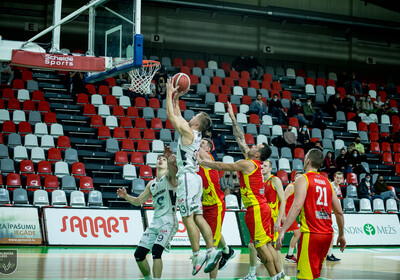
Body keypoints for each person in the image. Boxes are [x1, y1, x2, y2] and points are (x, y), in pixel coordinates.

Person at [198, 102, 283, 280]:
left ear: (258, 154)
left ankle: (275, 277)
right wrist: (233, 118)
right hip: (261, 208)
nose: (251, 147)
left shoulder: (248, 164)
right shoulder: (253, 162)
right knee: (266, 245)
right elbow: (240, 139)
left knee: (261, 248)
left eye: (255, 147)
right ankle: (279, 276)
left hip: (257, 209)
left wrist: (202, 161)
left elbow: (222, 165)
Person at [165, 77, 221, 275]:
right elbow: (178, 115)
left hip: (187, 178)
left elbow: (172, 118)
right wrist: (176, 98)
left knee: (188, 217)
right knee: (198, 216)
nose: (191, 117)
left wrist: (168, 93)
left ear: (197, 122)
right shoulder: (193, 133)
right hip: (194, 178)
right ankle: (212, 250)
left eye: (194, 116)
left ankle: (198, 254)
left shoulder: (189, 133)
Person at [276, 149, 346, 280]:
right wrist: (341, 235)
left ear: (307, 160)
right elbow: (339, 213)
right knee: (314, 275)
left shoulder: (303, 179)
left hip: (311, 235)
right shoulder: (328, 183)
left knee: (304, 277)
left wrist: (283, 230)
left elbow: (296, 206)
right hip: (326, 236)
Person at [116, 149, 178, 280]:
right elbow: (138, 201)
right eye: (159, 159)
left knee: (156, 251)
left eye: (164, 159)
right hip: (155, 222)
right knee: (139, 255)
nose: (161, 160)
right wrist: (126, 196)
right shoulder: (151, 183)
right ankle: (148, 278)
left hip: (169, 221)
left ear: (167, 164)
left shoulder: (169, 176)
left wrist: (171, 159)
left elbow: (174, 172)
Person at [198, 137, 237, 279]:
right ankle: (227, 250)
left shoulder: (207, 158)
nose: (199, 143)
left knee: (211, 248)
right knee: (212, 234)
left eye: (202, 143)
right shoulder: (197, 162)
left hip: (216, 205)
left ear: (208, 149)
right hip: (204, 205)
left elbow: (196, 149)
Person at [284, 171, 302, 263]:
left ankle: (289, 255)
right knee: (297, 233)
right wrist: (282, 215)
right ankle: (289, 255)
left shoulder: (300, 188)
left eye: (301, 177)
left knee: (297, 233)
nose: (299, 178)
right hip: (285, 214)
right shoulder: (291, 187)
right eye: (297, 177)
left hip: (290, 214)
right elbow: (281, 200)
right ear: (294, 178)